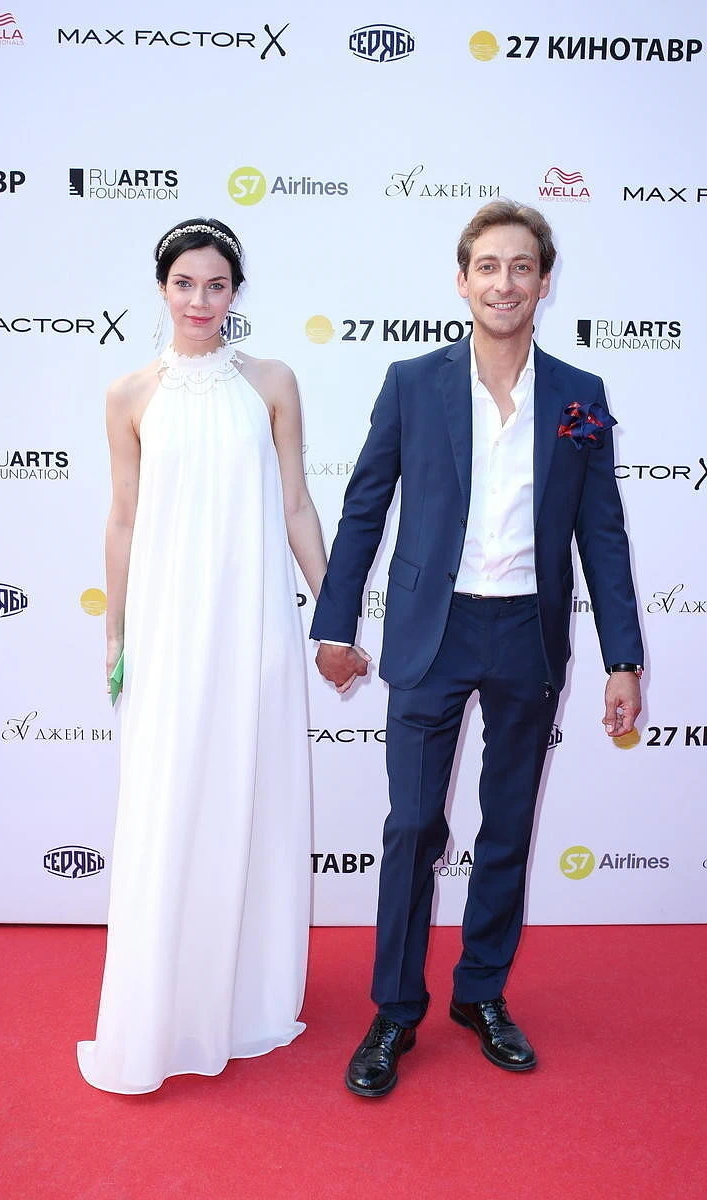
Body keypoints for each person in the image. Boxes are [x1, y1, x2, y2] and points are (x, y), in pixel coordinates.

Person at [311, 200, 643, 1097]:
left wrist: (623, 659)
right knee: (413, 826)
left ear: (544, 281)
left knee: (507, 826)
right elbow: (364, 509)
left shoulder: (579, 395)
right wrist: (335, 626)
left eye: (521, 267)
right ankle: (394, 1009)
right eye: (488, 267)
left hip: (528, 632)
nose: (505, 283)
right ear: (462, 281)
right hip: (434, 630)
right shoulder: (412, 383)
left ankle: (482, 993)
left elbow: (601, 533)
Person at [78, 218, 327, 1093]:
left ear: (235, 293)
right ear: (162, 288)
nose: (199, 300)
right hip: (169, 628)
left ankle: (244, 994)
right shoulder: (129, 394)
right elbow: (123, 517)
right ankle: (161, 1001)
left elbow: (296, 505)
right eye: (184, 283)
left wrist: (333, 609)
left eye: (215, 285)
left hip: (254, 622)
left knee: (250, 791)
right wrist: (117, 630)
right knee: (170, 794)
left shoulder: (272, 382)